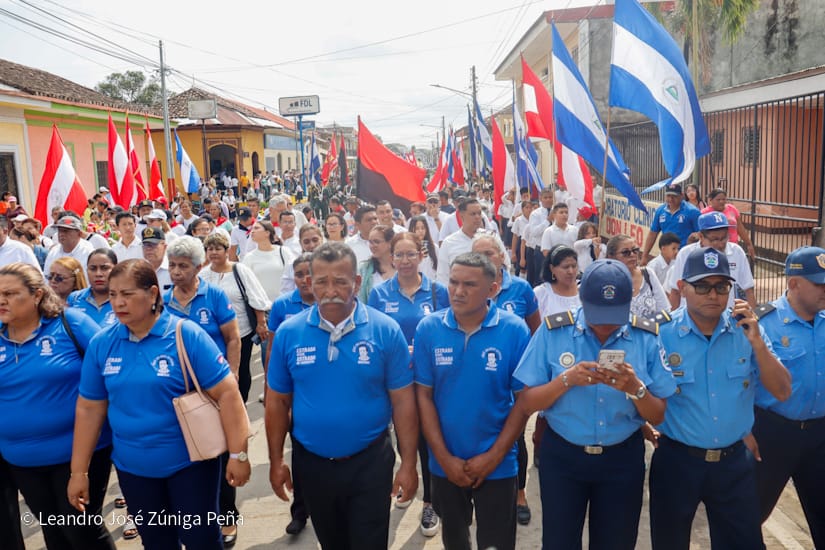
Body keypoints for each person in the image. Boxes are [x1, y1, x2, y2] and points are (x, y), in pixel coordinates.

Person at [70, 259, 250, 549]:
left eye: (127, 294)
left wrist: (238, 455)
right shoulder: (102, 344)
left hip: (191, 466)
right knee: (156, 542)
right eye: (113, 294)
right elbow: (89, 408)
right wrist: (79, 472)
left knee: (201, 540)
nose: (118, 302)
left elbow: (228, 395)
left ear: (153, 293)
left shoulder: (185, 334)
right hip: (134, 469)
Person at [512, 259, 676, 549]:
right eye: (597, 315)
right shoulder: (553, 332)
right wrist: (566, 380)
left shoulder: (644, 337)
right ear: (581, 300)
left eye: (614, 315)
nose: (605, 325)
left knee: (616, 542)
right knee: (559, 541)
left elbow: (659, 414)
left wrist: (635, 389)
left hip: (621, 460)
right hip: (563, 457)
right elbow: (526, 402)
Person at [266, 242, 419, 550]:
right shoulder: (289, 333)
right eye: (321, 281)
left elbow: (404, 402)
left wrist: (408, 464)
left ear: (357, 283)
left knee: (370, 543)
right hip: (313, 464)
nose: (330, 289)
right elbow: (277, 402)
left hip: (370, 462)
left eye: (340, 280)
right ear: (310, 282)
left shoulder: (385, 331)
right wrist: (276, 460)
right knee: (331, 542)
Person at [650, 247, 791, 549]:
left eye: (721, 286)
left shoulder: (749, 329)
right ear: (682, 288)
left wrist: (757, 343)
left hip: (732, 465)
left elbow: (781, 391)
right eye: (702, 286)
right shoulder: (661, 334)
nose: (713, 295)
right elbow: (635, 394)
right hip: (677, 462)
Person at [414, 252, 531, 550]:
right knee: (455, 541)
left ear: (492, 289)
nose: (458, 291)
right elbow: (423, 397)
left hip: (498, 463)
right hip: (445, 463)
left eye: (469, 284)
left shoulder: (514, 330)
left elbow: (523, 402)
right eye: (453, 282)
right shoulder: (429, 329)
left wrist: (493, 457)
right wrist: (443, 458)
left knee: (496, 543)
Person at [0, 262, 116, 550]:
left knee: (81, 532)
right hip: (21, 460)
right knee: (54, 533)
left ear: (37, 295)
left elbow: (114, 369)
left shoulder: (71, 324)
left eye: (11, 293)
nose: (2, 300)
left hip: (79, 454)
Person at [368, 232, 449, 536]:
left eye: (410, 254)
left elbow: (446, 333)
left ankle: (430, 503)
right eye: (399, 255)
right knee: (404, 437)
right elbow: (374, 335)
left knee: (429, 440)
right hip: (396, 381)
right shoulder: (379, 294)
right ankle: (407, 478)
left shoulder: (438, 292)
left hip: (430, 381)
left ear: (421, 256)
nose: (404, 261)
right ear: (391, 259)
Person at [751, 246, 825, 547]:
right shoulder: (762, 324)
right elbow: (740, 383)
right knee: (748, 514)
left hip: (820, 435)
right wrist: (743, 430)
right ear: (793, 283)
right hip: (772, 433)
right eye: (819, 283)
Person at [265, 253, 314, 535]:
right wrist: (270, 388)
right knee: (299, 452)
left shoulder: (328, 302)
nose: (305, 280)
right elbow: (272, 351)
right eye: (299, 275)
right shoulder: (283, 305)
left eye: (310, 273)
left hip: (316, 390)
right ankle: (300, 511)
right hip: (289, 390)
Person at [201, 232, 270, 403]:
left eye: (218, 248)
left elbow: (256, 298)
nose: (214, 252)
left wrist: (261, 323)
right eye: (210, 249)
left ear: (226, 251)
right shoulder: (202, 275)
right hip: (212, 334)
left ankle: (241, 404)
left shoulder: (240, 270)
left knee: (241, 371)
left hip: (241, 332)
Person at [664, 211, 756, 310]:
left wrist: (754, 318)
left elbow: (748, 290)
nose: (721, 244)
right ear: (701, 237)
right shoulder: (686, 254)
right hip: (691, 319)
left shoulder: (737, 252)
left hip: (726, 318)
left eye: (724, 238)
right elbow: (675, 291)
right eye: (714, 239)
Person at [606, 234, 670, 319]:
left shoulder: (648, 274)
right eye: (626, 252)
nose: (632, 255)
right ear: (612, 256)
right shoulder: (606, 281)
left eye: (635, 250)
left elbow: (664, 310)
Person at [641, 184, 700, 264]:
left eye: (674, 196)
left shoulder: (692, 212)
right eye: (668, 196)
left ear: (682, 196)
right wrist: (645, 256)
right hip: (666, 258)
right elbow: (653, 233)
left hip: (686, 257)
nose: (670, 199)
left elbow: (701, 234)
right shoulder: (660, 211)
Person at [241, 220, 295, 303]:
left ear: (267, 233)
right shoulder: (249, 257)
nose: (252, 231)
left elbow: (294, 275)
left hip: (285, 304)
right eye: (252, 229)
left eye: (256, 228)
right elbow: (245, 284)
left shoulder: (284, 252)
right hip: (262, 307)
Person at [436, 198, 485, 285]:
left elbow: (504, 266)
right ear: (462, 216)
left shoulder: (491, 238)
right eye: (473, 214)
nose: (477, 217)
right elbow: (442, 276)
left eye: (479, 213)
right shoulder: (449, 243)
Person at [66, 248, 118, 328]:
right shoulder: (74, 299)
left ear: (116, 269)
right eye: (93, 269)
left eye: (104, 268)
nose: (98, 274)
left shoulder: (125, 300)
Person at [702, 187, 756, 259]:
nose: (721, 201)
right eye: (718, 200)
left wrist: (749, 244)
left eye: (723, 199)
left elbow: (740, 228)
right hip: (713, 250)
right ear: (711, 200)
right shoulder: (704, 213)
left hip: (732, 248)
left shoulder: (732, 209)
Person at [534, 244, 581, 317]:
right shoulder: (541, 294)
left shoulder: (583, 289)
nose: (571, 271)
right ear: (552, 268)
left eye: (574, 266)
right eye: (565, 267)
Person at [358, 225, 396, 302]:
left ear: (390, 243)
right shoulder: (364, 270)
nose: (372, 246)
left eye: (376, 242)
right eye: (370, 242)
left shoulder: (402, 267)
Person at [140, 226, 173, 292]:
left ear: (164, 246)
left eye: (153, 245)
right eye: (145, 245)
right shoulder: (140, 270)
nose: (148, 248)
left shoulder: (173, 269)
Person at [409, 215, 439, 281]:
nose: (420, 231)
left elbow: (439, 269)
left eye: (423, 228)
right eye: (417, 228)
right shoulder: (408, 248)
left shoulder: (434, 247)